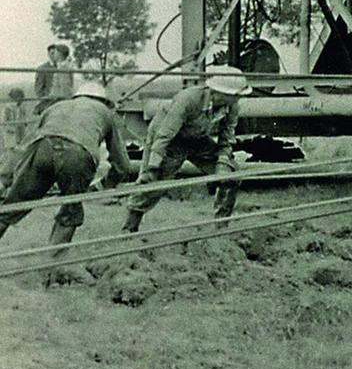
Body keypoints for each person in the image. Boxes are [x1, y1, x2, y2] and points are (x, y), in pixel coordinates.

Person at [0, 81, 131, 248]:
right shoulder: (106, 113)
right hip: (78, 153)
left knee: (12, 206)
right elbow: (121, 164)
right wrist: (106, 185)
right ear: (104, 101)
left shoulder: (56, 107)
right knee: (71, 211)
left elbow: (26, 143)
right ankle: (52, 262)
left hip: (42, 148)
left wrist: (5, 178)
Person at [122, 66, 251, 232]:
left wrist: (223, 163)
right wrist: (153, 165)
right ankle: (129, 228)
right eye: (237, 95)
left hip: (198, 139)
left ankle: (221, 227)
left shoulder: (232, 107)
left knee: (232, 176)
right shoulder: (188, 99)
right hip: (170, 139)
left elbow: (227, 138)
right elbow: (165, 134)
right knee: (152, 182)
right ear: (221, 93)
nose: (239, 98)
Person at [34, 43, 74, 114]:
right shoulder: (58, 67)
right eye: (52, 53)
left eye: (55, 52)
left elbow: (64, 88)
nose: (53, 55)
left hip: (57, 102)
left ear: (59, 54)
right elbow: (39, 88)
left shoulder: (63, 68)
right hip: (50, 100)